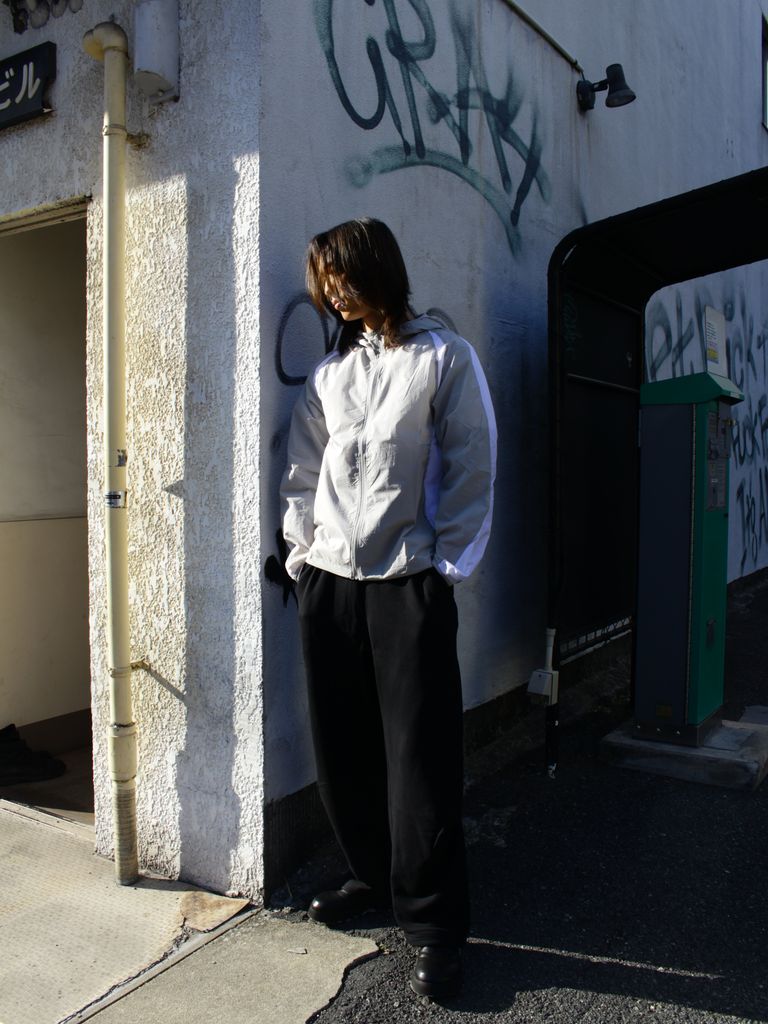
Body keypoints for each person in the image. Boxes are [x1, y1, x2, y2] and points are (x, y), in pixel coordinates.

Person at [281, 217, 496, 1000]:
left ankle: (436, 927)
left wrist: (446, 570)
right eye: (324, 283)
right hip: (332, 582)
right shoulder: (330, 377)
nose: (333, 293)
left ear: (378, 270)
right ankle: (372, 877)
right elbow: (303, 473)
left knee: (420, 761)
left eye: (342, 277)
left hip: (409, 582)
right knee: (344, 749)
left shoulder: (444, 359)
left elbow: (473, 465)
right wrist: (302, 557)